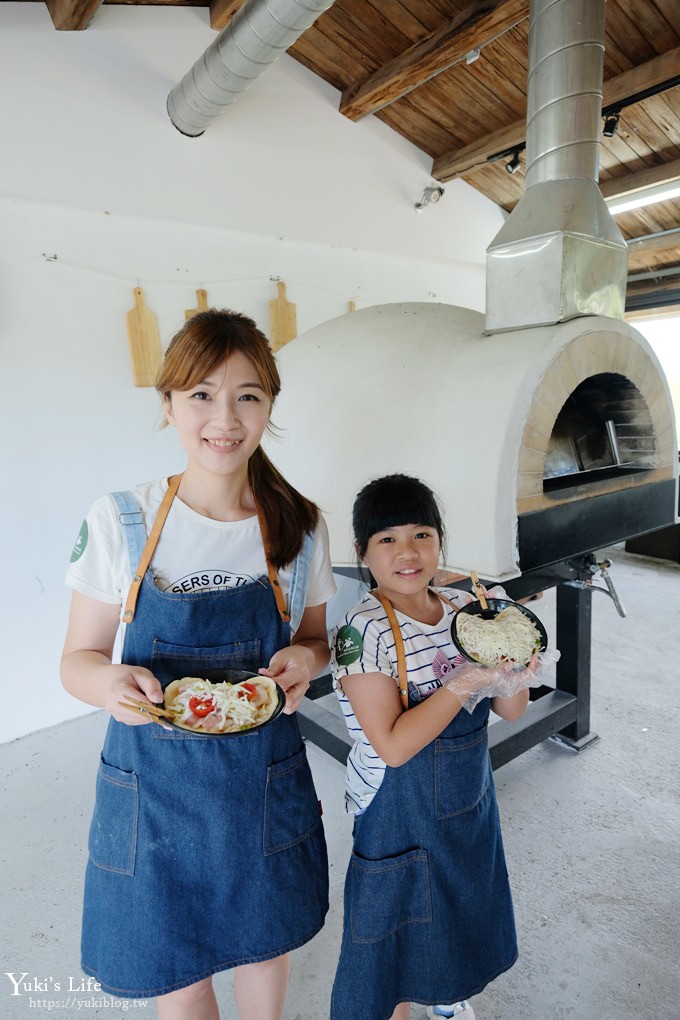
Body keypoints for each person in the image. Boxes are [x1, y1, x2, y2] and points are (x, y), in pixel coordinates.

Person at [61, 309, 335, 1020]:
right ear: (169, 405)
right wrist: (109, 682)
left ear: (270, 405)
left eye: (248, 394)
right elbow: (76, 662)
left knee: (263, 941)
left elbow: (318, 642)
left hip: (261, 783)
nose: (225, 417)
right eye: (201, 394)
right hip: (155, 786)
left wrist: (304, 658)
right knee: (174, 953)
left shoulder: (299, 525)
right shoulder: (121, 520)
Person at [330, 474, 554, 1020]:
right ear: (362, 552)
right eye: (387, 540)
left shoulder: (464, 611)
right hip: (395, 807)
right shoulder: (363, 632)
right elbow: (393, 747)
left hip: (466, 794)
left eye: (422, 535)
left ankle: (446, 994)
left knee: (457, 901)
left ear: (440, 540)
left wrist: (512, 658)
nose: (408, 553)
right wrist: (467, 681)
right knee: (396, 923)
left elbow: (511, 710)